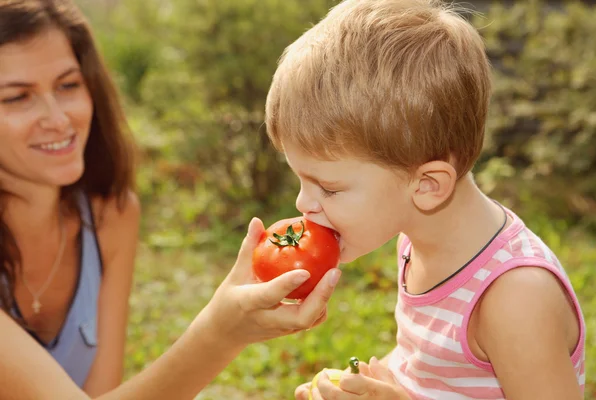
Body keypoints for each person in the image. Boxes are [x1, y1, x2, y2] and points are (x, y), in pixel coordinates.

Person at [0, 1, 341, 399]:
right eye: (16, 98)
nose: (58, 118)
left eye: (68, 85)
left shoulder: (110, 214)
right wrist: (221, 332)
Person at [263, 0, 586, 399]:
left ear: (428, 186)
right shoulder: (416, 242)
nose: (302, 204)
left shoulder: (514, 298)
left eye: (328, 188)